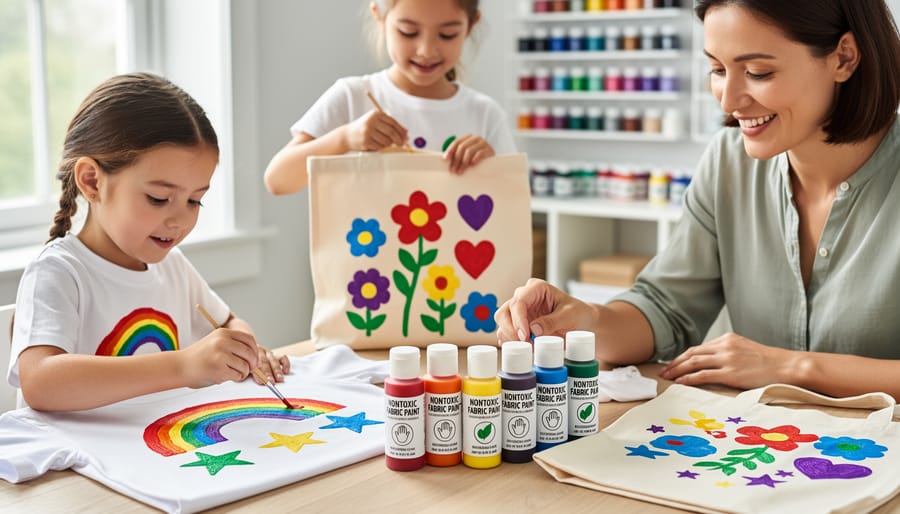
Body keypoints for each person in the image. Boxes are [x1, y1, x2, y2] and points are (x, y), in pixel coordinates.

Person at [495, 0, 900, 400]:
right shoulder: (729, 161)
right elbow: (666, 309)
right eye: (718, 70)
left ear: (844, 57)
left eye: (758, 72)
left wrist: (791, 366)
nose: (728, 100)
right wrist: (585, 321)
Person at [8, 73, 290, 411]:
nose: (181, 220)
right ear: (92, 181)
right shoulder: (59, 271)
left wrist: (245, 349)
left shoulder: (172, 265)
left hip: (155, 452)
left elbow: (227, 323)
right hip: (79, 460)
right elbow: (41, 381)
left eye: (194, 200)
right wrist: (182, 366)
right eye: (158, 198)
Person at [263, 0, 515, 195]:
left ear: (470, 25)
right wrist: (344, 138)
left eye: (447, 34)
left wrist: (489, 167)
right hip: (363, 260)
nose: (426, 50)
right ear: (380, 18)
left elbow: (513, 204)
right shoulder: (352, 96)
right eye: (408, 32)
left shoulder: (485, 113)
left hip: (456, 263)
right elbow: (277, 180)